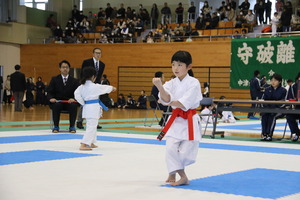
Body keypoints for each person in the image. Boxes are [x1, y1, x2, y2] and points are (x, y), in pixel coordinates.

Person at [153, 50, 202, 186]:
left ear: (189, 67)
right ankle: (182, 176)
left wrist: (167, 101)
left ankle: (172, 171)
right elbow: (166, 97)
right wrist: (159, 87)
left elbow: (180, 103)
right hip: (175, 120)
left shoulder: (194, 83)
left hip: (189, 120)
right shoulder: (171, 83)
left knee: (185, 153)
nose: (176, 68)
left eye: (180, 65)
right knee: (170, 148)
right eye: (173, 64)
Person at [74, 67, 116, 150]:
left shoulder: (81, 87)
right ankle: (84, 144)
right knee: (91, 126)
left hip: (87, 107)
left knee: (92, 125)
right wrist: (112, 88)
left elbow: (76, 95)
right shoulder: (94, 86)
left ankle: (91, 142)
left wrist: (83, 103)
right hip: (93, 108)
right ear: (93, 77)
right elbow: (104, 88)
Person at [47, 60, 80, 133]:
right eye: (63, 67)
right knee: (56, 105)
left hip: (69, 102)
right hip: (58, 101)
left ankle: (72, 126)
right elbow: (49, 92)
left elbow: (78, 93)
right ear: (60, 68)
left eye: (67, 67)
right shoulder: (54, 79)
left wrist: (73, 98)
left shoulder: (74, 80)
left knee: (74, 105)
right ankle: (56, 126)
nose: (65, 69)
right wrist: (51, 98)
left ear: (69, 69)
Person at [77, 48, 105, 130]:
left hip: (96, 87)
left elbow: (99, 77)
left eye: (99, 53)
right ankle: (79, 121)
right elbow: (82, 73)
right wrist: (83, 84)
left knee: (96, 105)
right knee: (84, 104)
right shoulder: (87, 62)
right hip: (86, 86)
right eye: (96, 53)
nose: (98, 55)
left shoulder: (102, 64)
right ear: (93, 53)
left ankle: (95, 122)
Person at [261, 73, 287, 141]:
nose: (273, 82)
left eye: (275, 80)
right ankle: (264, 134)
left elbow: (284, 102)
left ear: (280, 81)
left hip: (278, 110)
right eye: (272, 80)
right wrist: (267, 107)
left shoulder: (283, 90)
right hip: (268, 109)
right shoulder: (267, 89)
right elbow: (263, 100)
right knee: (264, 115)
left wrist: (274, 106)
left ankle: (269, 134)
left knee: (272, 116)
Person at [286, 72, 300, 142]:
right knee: (289, 115)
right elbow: (290, 98)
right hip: (297, 109)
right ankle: (297, 133)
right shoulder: (293, 86)